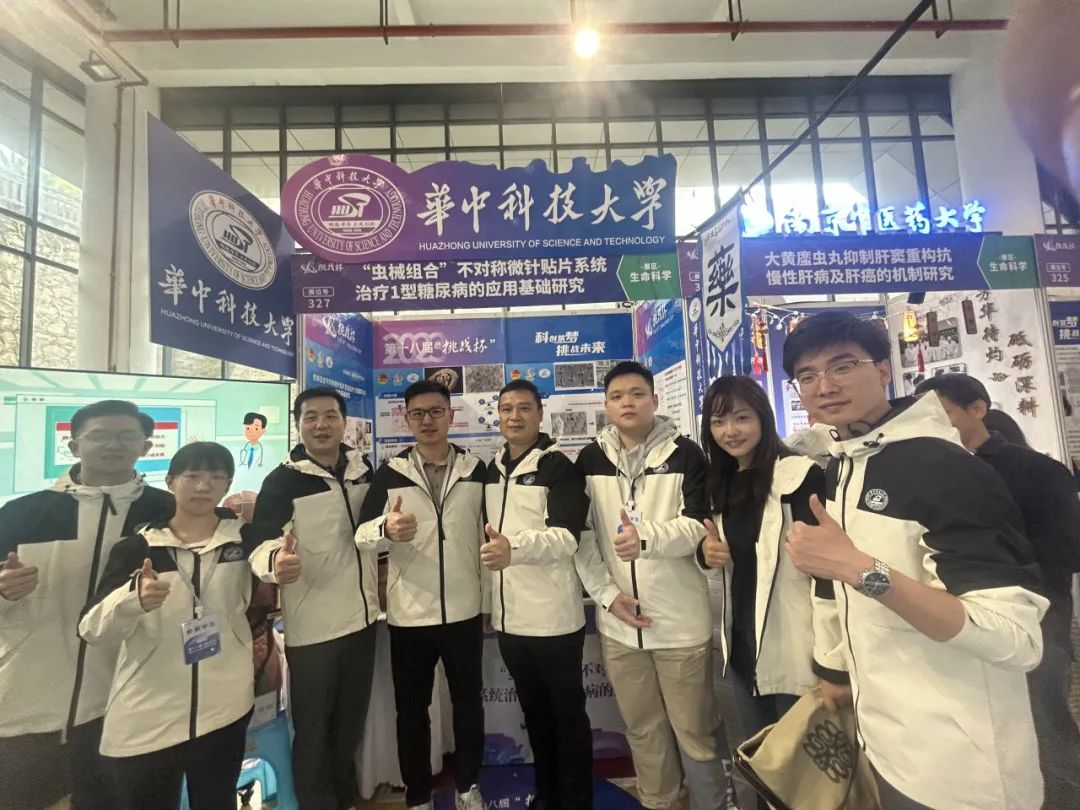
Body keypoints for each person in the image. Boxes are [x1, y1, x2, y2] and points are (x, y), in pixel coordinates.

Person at [781, 312, 1048, 810]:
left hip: (963, 772)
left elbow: (1016, 639)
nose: (824, 386)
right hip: (886, 744)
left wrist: (861, 570)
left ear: (884, 369)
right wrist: (833, 666)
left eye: (843, 366)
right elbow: (839, 583)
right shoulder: (845, 462)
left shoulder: (945, 467)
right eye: (807, 375)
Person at [915, 373, 1080, 808]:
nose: (934, 423)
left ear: (978, 410)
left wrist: (998, 568)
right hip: (953, 623)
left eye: (943, 412)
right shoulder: (922, 474)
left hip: (1035, 619)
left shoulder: (1036, 471)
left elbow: (1068, 550)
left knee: (1044, 726)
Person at [0, 399, 174, 810]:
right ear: (74, 445)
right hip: (30, 703)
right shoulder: (24, 513)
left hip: (129, 698)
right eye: (100, 435)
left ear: (146, 446)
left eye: (127, 436)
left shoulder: (166, 511)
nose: (113, 445)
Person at [573, 361, 726, 810]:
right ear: (606, 406)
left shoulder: (687, 454)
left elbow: (698, 525)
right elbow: (583, 539)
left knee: (695, 732)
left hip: (680, 626)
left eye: (637, 394)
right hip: (621, 627)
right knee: (642, 729)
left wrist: (646, 539)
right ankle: (660, 803)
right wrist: (608, 597)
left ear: (655, 401)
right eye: (618, 396)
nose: (628, 403)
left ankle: (710, 804)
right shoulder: (590, 460)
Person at [78, 442, 259, 809]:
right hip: (149, 716)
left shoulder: (244, 540)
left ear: (228, 485)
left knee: (218, 800)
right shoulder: (138, 548)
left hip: (226, 707)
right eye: (192, 476)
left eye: (215, 477)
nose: (203, 486)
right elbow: (92, 629)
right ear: (171, 481)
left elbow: (266, 571)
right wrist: (133, 599)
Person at [355, 380, 487, 810]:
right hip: (410, 615)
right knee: (411, 711)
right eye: (418, 413)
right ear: (406, 419)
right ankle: (417, 797)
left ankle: (468, 786)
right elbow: (361, 536)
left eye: (436, 412)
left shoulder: (476, 470)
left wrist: (488, 600)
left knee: (468, 704)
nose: (427, 420)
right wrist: (385, 529)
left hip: (465, 610)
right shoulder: (390, 474)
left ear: (451, 416)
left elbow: (490, 534)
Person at [697, 376, 825, 810]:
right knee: (761, 757)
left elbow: (825, 567)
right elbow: (718, 548)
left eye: (741, 418)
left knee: (803, 764)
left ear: (763, 419)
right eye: (718, 422)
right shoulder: (720, 481)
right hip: (741, 639)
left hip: (794, 637)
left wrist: (832, 653)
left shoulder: (798, 475)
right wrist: (705, 552)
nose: (730, 431)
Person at [248, 387, 379, 810]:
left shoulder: (362, 469)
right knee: (313, 731)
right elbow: (260, 543)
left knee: (349, 725)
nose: (321, 425)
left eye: (330, 416)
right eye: (311, 417)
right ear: (298, 425)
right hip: (313, 630)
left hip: (363, 621)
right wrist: (275, 563)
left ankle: (344, 799)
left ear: (343, 422)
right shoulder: (282, 481)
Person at [481, 380, 593, 810]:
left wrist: (515, 548)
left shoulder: (559, 467)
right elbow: (487, 544)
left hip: (554, 621)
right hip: (510, 622)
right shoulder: (491, 469)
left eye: (524, 408)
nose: (514, 416)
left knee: (568, 718)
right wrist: (491, 604)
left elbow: (566, 537)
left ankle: (576, 801)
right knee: (536, 717)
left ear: (540, 414)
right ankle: (547, 795)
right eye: (506, 408)